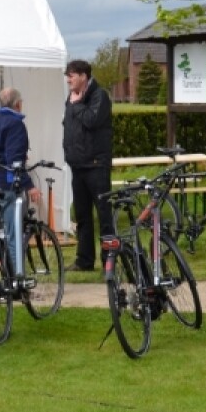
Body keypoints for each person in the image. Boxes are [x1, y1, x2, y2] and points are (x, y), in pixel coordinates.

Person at [62, 59, 114, 272]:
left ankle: (108, 260)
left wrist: (77, 104)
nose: (68, 80)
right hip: (78, 165)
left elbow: (92, 120)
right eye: (68, 76)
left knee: (104, 215)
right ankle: (84, 260)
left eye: (71, 75)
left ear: (83, 76)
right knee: (82, 215)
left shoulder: (99, 96)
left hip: (96, 165)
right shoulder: (72, 98)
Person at [0, 87, 41, 268]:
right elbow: (15, 162)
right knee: (12, 234)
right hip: (7, 184)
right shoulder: (15, 124)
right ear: (18, 104)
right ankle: (17, 279)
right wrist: (29, 185)